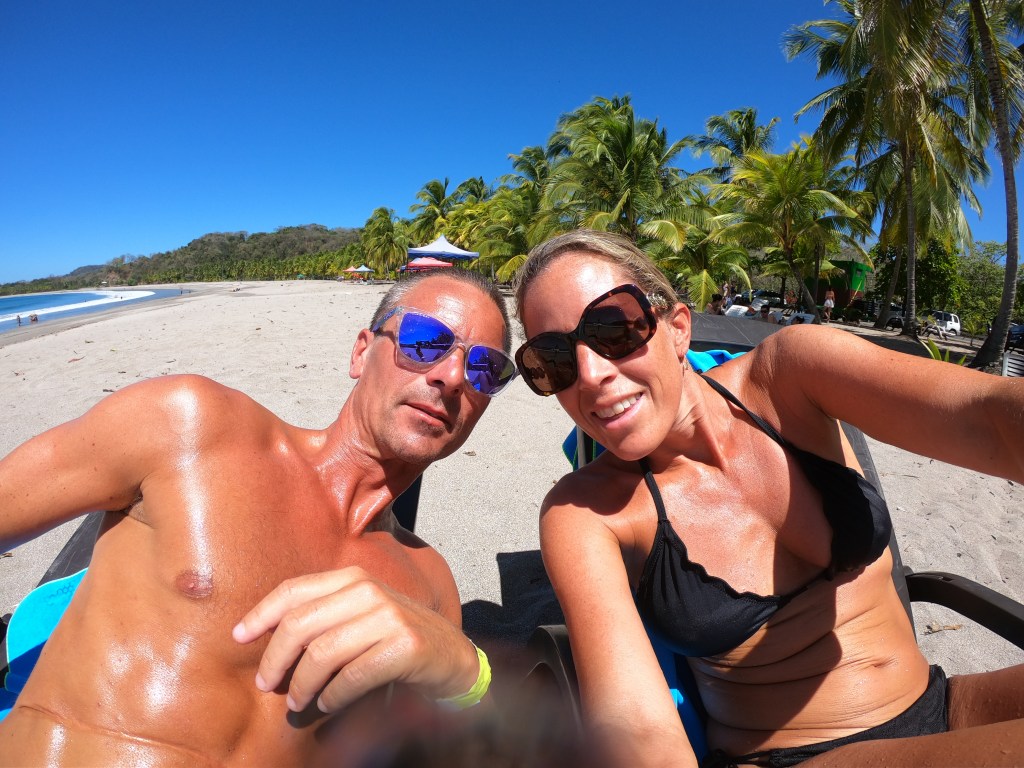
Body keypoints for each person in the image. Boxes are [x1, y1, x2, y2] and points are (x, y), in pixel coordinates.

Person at [512, 229, 1024, 768]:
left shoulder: (790, 375)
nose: (591, 376)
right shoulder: (584, 513)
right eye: (554, 360)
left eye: (612, 329)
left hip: (943, 706)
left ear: (677, 328)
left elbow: (988, 417)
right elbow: (636, 728)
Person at [0, 270, 517, 765]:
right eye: (425, 341)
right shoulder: (189, 427)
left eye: (485, 369)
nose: (452, 377)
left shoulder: (430, 584)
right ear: (362, 352)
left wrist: (468, 672)